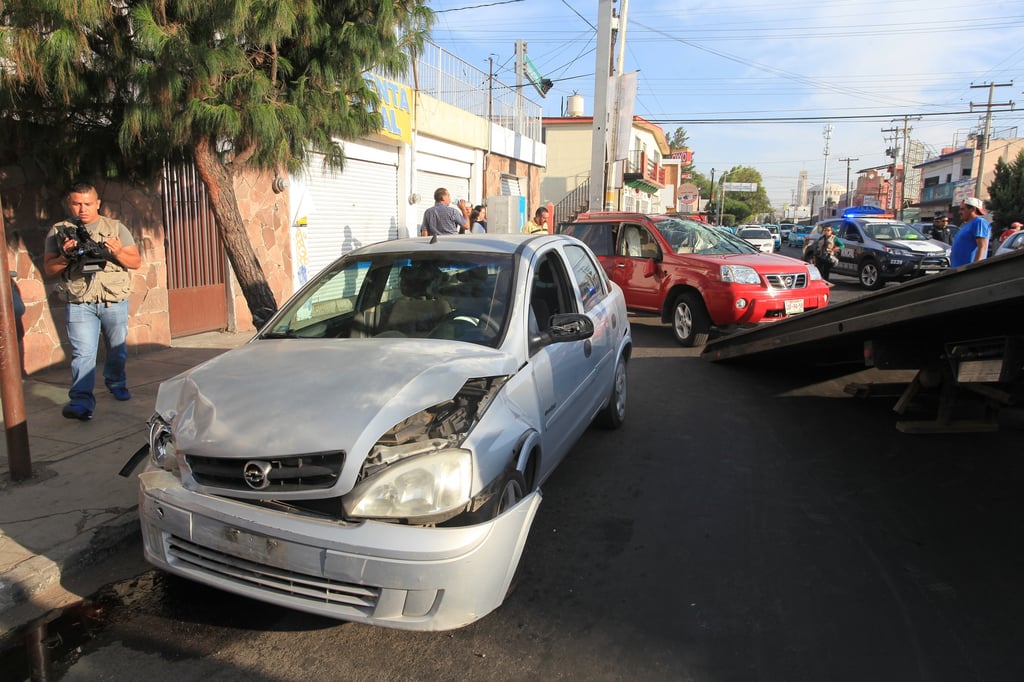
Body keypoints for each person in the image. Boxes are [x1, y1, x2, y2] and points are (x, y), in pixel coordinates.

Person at [43, 182, 142, 420]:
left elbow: (136, 262)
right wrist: (66, 256)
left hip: (113, 299)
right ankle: (81, 401)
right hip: (79, 301)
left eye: (87, 203)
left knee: (116, 350)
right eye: (77, 203)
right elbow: (49, 268)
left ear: (97, 203)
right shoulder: (60, 231)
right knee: (83, 353)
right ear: (70, 204)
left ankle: (116, 382)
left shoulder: (116, 228)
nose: (82, 209)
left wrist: (117, 251)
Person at [950, 197, 991, 267]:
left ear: (972, 209)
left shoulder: (979, 222)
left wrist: (975, 268)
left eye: (962, 209)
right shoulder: (966, 225)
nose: (959, 212)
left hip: (968, 272)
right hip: (957, 270)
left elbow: (982, 246)